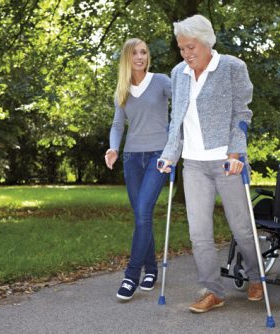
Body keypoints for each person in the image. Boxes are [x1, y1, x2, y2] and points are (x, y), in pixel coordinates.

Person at [157, 14, 262, 313]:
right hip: (193, 164)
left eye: (191, 47)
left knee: (241, 228)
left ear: (206, 42)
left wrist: (236, 153)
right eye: (182, 48)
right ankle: (212, 290)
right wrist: (169, 155)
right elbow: (176, 120)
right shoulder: (179, 74)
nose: (187, 53)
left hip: (227, 162)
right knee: (199, 233)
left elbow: (241, 114)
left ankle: (256, 277)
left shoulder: (231, 67)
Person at [105, 38, 172, 301]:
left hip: (158, 157)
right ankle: (152, 269)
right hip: (132, 159)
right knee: (141, 216)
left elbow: (184, 104)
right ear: (127, 58)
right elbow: (117, 125)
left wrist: (174, 143)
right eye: (135, 53)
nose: (140, 57)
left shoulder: (162, 81)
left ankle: (131, 275)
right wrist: (113, 148)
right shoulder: (121, 90)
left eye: (144, 52)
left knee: (143, 211)